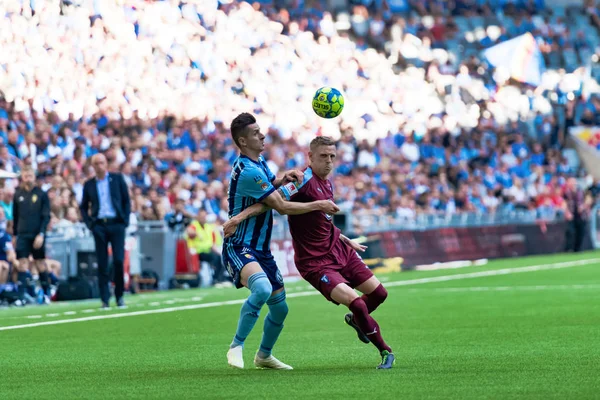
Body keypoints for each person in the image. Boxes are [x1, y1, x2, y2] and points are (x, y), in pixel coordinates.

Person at [224, 136, 395, 369]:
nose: (329, 161)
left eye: (332, 157)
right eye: (323, 156)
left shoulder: (327, 182)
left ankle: (358, 322)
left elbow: (322, 220)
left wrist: (344, 238)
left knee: (379, 295)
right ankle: (385, 351)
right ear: (310, 157)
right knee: (355, 302)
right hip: (315, 262)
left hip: (338, 249)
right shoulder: (301, 181)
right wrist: (239, 217)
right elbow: (271, 203)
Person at [223, 113, 340, 370]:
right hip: (240, 244)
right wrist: (318, 205)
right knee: (262, 289)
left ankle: (264, 356)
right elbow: (280, 206)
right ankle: (236, 346)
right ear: (243, 141)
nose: (262, 136)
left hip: (261, 249)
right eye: (255, 133)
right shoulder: (247, 171)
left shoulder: (259, 162)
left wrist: (281, 179)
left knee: (280, 309)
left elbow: (270, 189)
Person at [79, 154, 131, 309]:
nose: (99, 166)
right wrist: (90, 224)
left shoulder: (117, 179)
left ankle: (120, 295)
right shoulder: (89, 184)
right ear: (93, 166)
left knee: (118, 260)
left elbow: (126, 200)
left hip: (116, 224)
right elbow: (83, 206)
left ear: (106, 164)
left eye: (101, 162)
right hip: (100, 225)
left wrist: (125, 220)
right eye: (96, 163)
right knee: (102, 262)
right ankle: (104, 299)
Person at [12, 166, 51, 304]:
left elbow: (46, 216)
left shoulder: (41, 194)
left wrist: (41, 234)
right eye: (25, 175)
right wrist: (15, 235)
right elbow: (15, 216)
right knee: (22, 263)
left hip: (37, 235)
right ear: (22, 177)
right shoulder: (18, 195)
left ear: (34, 177)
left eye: (30, 175)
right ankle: (21, 297)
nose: (28, 177)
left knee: (40, 262)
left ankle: (46, 294)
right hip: (22, 234)